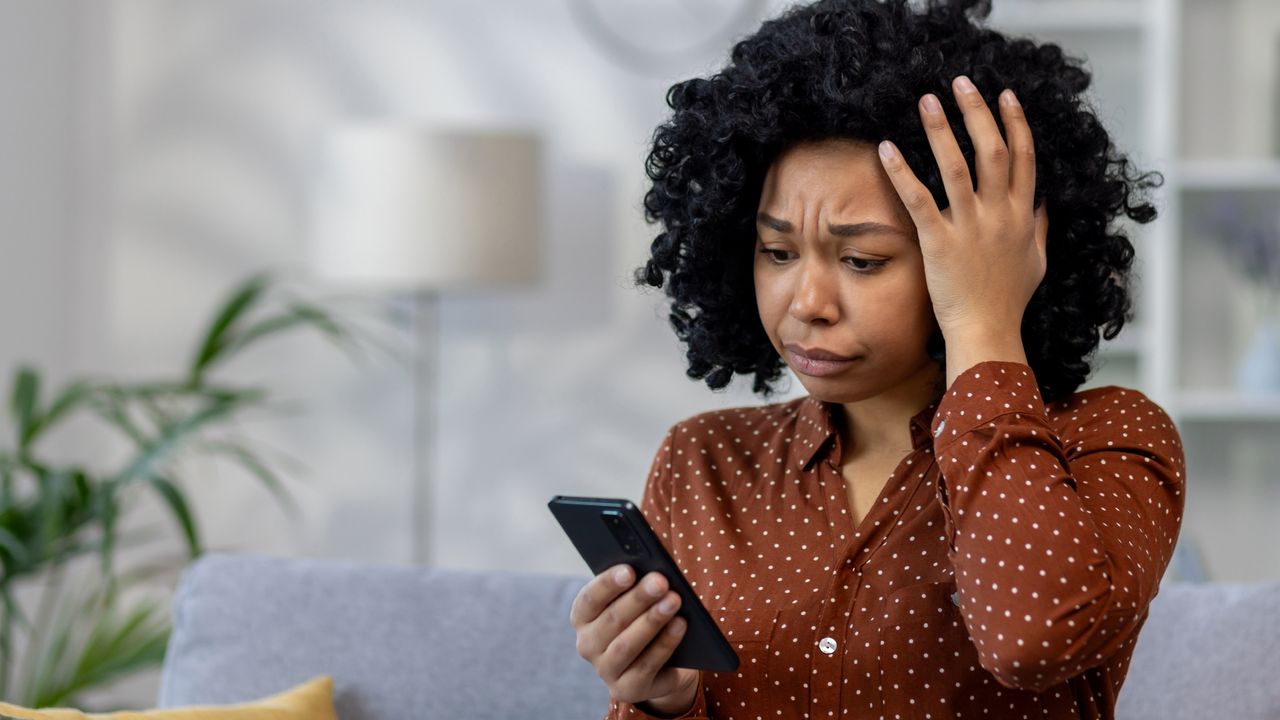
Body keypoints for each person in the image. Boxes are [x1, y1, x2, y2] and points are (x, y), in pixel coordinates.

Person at [569, 0, 1186, 717]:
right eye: (776, 252)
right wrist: (662, 702)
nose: (807, 301)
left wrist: (985, 319)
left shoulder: (1106, 443)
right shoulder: (705, 462)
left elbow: (1032, 640)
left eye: (862, 260)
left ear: (981, 254)